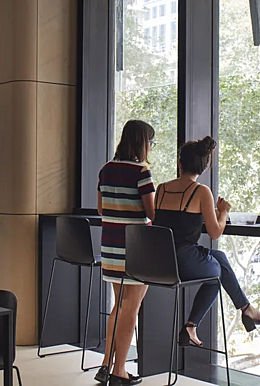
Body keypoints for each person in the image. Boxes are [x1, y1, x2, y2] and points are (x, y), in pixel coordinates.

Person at [153, 136, 260, 347]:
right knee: (216, 274)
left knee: (220, 257)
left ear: (179, 163)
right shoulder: (201, 191)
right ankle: (195, 324)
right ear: (204, 167)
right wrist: (223, 212)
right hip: (181, 260)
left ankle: (245, 309)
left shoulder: (161, 188)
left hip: (158, 260)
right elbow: (215, 232)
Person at [95, 120, 156, 386]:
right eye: (151, 142)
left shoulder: (106, 169)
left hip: (110, 246)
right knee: (131, 308)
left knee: (118, 306)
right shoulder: (141, 172)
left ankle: (106, 364)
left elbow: (100, 209)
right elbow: (152, 213)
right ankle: (120, 371)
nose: (151, 148)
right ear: (143, 143)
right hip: (134, 249)